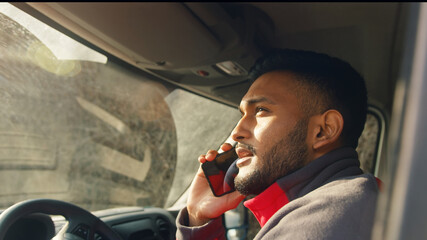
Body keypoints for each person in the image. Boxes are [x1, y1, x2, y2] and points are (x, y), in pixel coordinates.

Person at [176, 49, 379, 239]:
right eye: (242, 115)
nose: (236, 133)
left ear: (323, 130)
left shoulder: (318, 222)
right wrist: (198, 216)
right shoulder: (354, 203)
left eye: (261, 111)